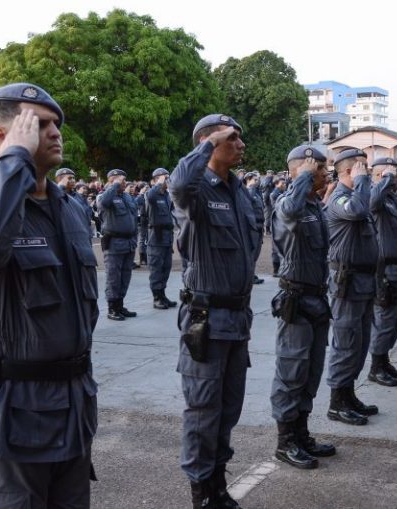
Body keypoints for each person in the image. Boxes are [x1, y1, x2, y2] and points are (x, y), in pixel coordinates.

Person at [0, 82, 99, 508]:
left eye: (56, 125)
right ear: (1, 135)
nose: (55, 132)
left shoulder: (71, 208)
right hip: (13, 417)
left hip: (73, 407)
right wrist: (14, 158)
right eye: (39, 124)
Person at [170, 113, 259, 509]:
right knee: (203, 411)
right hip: (206, 322)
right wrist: (208, 143)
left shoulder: (240, 191)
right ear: (209, 141)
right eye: (232, 138)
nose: (240, 144)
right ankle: (201, 492)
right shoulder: (198, 191)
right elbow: (178, 183)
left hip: (237, 320)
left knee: (228, 409)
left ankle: (218, 483)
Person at [270, 145, 335, 470]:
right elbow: (291, 211)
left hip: (317, 299)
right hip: (295, 300)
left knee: (311, 373)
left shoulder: (316, 205)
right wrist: (303, 176)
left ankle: (302, 433)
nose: (325, 174)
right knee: (291, 373)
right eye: (319, 169)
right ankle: (285, 442)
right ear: (302, 171)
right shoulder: (287, 203)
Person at [325, 149, 379, 426]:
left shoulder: (357, 196)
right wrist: (361, 182)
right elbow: (358, 210)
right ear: (349, 171)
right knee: (345, 344)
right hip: (346, 284)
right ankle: (336, 402)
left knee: (359, 343)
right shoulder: (340, 199)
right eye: (362, 169)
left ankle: (348, 394)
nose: (366, 174)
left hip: (364, 282)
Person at [368, 157, 397, 387]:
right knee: (384, 319)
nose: (394, 176)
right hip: (385, 269)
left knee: (396, 320)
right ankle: (375, 367)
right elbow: (372, 203)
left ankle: (384, 361)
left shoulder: (393, 198)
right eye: (388, 173)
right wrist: (384, 177)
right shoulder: (374, 195)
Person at [97, 169, 138, 321]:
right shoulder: (104, 196)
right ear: (111, 181)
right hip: (114, 243)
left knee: (125, 276)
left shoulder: (126, 196)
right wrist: (114, 186)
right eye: (121, 180)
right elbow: (103, 203)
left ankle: (120, 305)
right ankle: (112, 308)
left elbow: (133, 216)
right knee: (113, 277)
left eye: (124, 180)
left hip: (129, 242)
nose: (124, 183)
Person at [146, 168, 177, 309]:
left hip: (167, 237)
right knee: (156, 269)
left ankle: (163, 295)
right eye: (164, 178)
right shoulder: (153, 194)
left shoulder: (166, 195)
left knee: (166, 267)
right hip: (156, 238)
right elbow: (150, 195)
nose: (166, 181)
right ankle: (156, 298)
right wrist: (159, 182)